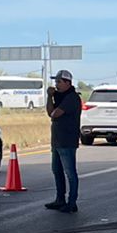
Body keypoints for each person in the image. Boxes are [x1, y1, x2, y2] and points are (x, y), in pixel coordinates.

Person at [46, 69, 81, 213]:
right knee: (57, 170)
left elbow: (55, 113)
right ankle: (60, 199)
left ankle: (71, 202)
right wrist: (50, 97)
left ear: (68, 83)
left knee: (70, 173)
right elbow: (50, 113)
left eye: (59, 82)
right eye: (56, 82)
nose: (57, 85)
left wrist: (52, 101)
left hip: (67, 141)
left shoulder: (71, 98)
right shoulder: (60, 98)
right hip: (57, 141)